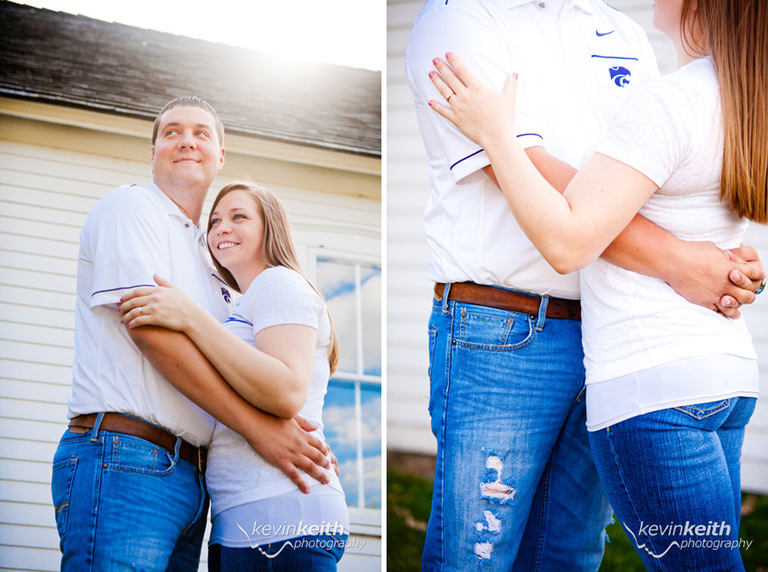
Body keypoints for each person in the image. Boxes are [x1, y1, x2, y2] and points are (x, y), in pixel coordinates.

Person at [405, 1, 764, 570]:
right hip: (508, 332)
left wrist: (704, 257)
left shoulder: (621, 30)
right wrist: (683, 261)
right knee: (476, 558)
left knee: (568, 556)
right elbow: (531, 177)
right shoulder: (460, 19)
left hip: (612, 339)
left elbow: (642, 182)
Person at [51, 97, 333, 571]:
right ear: (155, 151)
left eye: (202, 133)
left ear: (220, 156)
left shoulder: (213, 266)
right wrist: (261, 431)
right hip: (125, 458)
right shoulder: (132, 207)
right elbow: (152, 335)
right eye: (172, 132)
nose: (186, 141)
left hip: (196, 480)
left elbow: (245, 364)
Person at [118, 181, 349, 571]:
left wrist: (190, 317)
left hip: (282, 521)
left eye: (239, 217)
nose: (222, 227)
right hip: (243, 523)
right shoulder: (244, 305)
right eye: (215, 221)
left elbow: (286, 391)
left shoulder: (279, 282)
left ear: (269, 228)